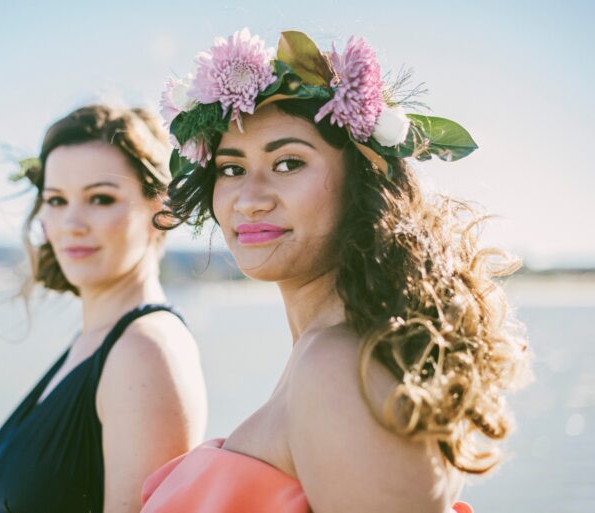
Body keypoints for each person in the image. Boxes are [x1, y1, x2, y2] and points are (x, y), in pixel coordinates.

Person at [144, 29, 530, 513]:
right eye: (231, 168)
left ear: (362, 182)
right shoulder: (320, 354)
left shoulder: (336, 369)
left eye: (288, 164)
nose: (250, 198)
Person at [0, 105, 207, 513]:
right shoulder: (99, 337)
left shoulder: (145, 351)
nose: (72, 223)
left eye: (101, 198)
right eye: (56, 200)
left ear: (162, 208)